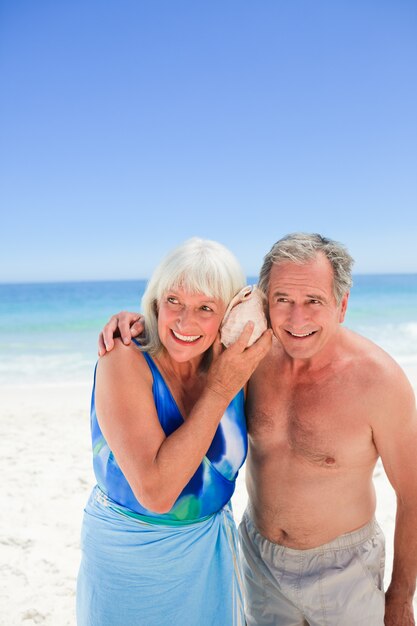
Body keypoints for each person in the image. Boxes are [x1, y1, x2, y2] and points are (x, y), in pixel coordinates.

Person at [100, 233, 417, 626]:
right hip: (259, 562)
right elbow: (186, 325)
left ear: (342, 304)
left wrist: (401, 595)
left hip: (344, 570)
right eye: (283, 300)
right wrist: (132, 320)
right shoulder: (247, 358)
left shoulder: (379, 381)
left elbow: (413, 492)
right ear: (265, 301)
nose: (297, 319)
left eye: (313, 301)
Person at [77, 237, 272, 626]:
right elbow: (156, 492)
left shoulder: (236, 363)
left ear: (228, 312)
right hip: (130, 563)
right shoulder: (124, 360)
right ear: (155, 302)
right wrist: (219, 390)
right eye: (174, 302)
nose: (185, 322)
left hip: (208, 560)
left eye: (205, 308)